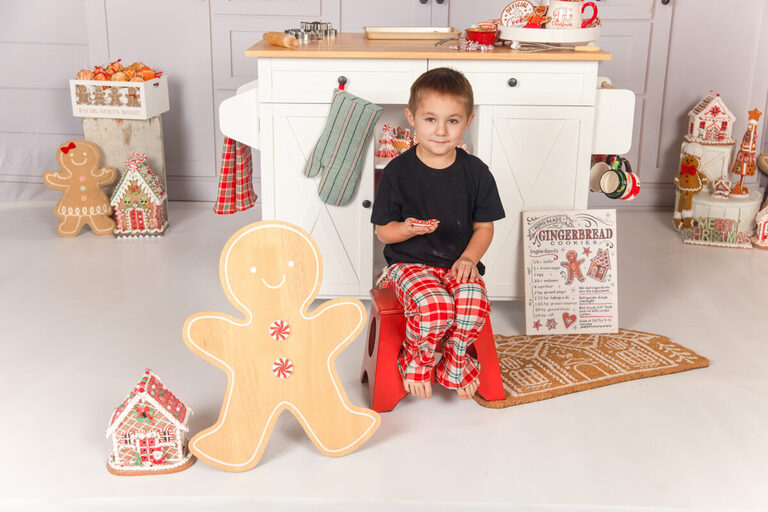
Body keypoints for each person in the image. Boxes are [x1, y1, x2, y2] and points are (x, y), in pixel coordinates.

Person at [370, 67, 505, 401]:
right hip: (408, 265)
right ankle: (417, 360)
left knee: (474, 303)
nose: (441, 131)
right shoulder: (397, 173)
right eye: (430, 119)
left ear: (468, 121)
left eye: (453, 121)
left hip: (457, 262)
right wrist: (406, 228)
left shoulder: (476, 173)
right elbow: (383, 233)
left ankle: (455, 362)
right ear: (411, 118)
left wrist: (469, 258)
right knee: (437, 306)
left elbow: (484, 227)